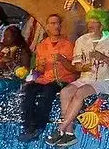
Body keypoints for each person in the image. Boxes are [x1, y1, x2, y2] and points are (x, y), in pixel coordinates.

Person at [46, 9, 109, 148]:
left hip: (103, 81)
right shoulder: (81, 41)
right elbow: (76, 67)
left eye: (95, 23)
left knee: (80, 93)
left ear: (102, 25)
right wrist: (82, 67)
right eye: (89, 23)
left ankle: (60, 128)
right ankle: (69, 134)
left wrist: (104, 58)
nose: (91, 26)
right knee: (65, 92)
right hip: (85, 78)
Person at [18, 14, 77, 142]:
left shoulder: (68, 44)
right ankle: (28, 127)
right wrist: (38, 69)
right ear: (48, 27)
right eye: (53, 23)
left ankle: (39, 126)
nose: (56, 26)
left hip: (62, 79)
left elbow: (75, 69)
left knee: (48, 92)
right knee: (29, 90)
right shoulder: (42, 45)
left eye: (58, 23)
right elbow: (40, 70)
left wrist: (62, 60)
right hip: (45, 78)